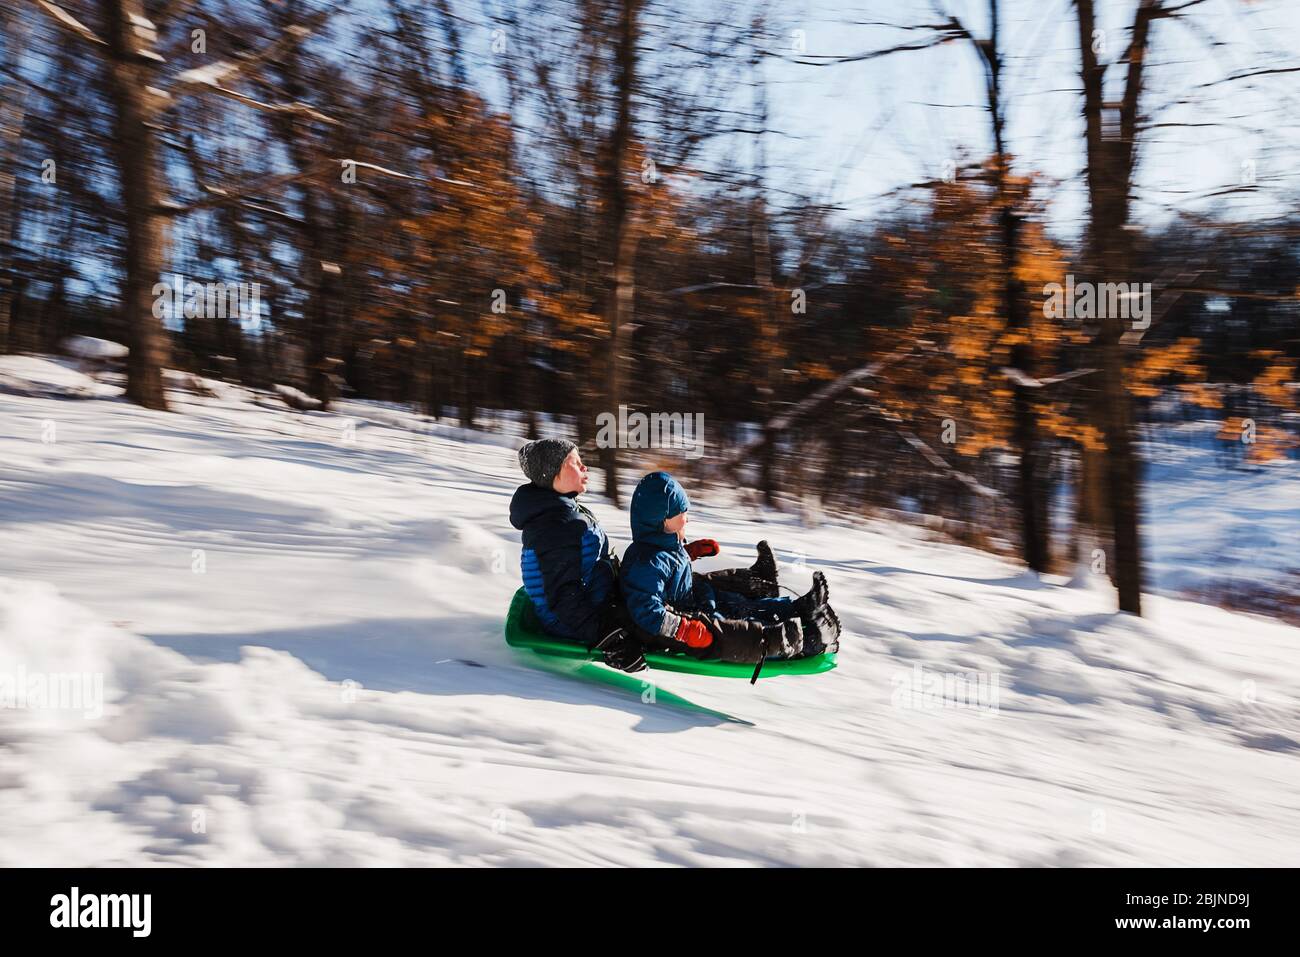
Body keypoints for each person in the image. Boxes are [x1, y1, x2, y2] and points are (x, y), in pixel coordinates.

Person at [509, 440, 787, 673]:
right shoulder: (555, 527)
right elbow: (563, 598)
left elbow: (588, 567)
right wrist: (610, 637)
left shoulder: (563, 511)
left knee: (686, 583)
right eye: (574, 462)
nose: (584, 466)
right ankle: (765, 641)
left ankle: (759, 585)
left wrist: (680, 555)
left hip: (598, 599)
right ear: (553, 475)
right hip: (582, 618)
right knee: (677, 614)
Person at [619, 471, 841, 664]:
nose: (687, 519)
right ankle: (791, 642)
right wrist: (683, 629)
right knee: (730, 627)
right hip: (683, 619)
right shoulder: (645, 561)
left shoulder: (662, 544)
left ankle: (799, 608)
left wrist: (691, 552)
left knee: (736, 603)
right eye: (682, 514)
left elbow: (668, 566)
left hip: (693, 599)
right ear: (663, 521)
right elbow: (646, 609)